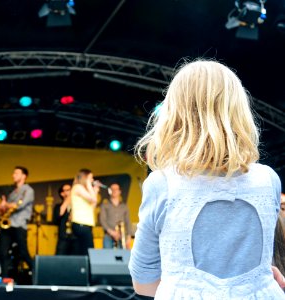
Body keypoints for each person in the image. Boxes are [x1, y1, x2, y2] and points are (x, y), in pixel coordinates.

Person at [129, 59, 285, 298]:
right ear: (239, 110)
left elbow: (144, 282)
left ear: (175, 114)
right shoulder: (268, 180)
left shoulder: (163, 185)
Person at [0, 166, 34, 279]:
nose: (13, 175)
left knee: (23, 253)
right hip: (8, 225)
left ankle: (37, 273)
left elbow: (19, 205)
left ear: (24, 176)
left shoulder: (28, 190)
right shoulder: (12, 193)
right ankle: (4, 279)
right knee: (2, 252)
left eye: (16, 173)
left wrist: (6, 204)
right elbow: (5, 209)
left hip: (19, 225)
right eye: (13, 173)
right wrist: (1, 207)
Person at [70, 168, 99, 256]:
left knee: (84, 250)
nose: (92, 180)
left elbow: (92, 207)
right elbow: (93, 199)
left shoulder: (84, 191)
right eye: (91, 178)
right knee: (88, 250)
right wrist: (90, 186)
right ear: (85, 178)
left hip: (86, 224)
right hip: (80, 223)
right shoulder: (78, 187)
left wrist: (95, 191)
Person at [99, 183, 132, 249]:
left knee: (123, 257)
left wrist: (129, 237)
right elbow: (102, 220)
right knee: (107, 257)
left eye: (116, 189)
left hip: (122, 237)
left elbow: (128, 221)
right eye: (112, 189)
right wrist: (112, 232)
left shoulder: (124, 206)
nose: (114, 190)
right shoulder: (105, 205)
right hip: (108, 236)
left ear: (120, 191)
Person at [53, 183, 79, 255]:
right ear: (62, 193)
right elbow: (56, 220)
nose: (70, 192)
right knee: (60, 258)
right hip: (63, 237)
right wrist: (66, 202)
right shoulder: (58, 207)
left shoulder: (77, 205)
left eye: (70, 190)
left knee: (76, 259)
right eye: (67, 190)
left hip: (76, 237)